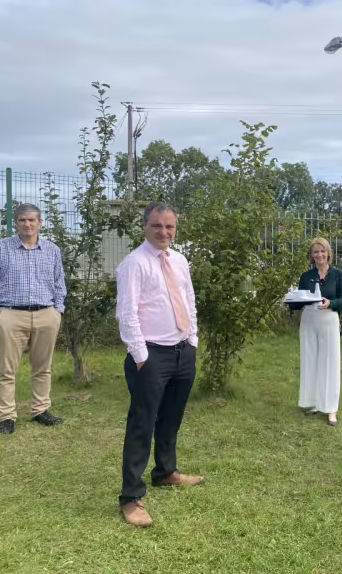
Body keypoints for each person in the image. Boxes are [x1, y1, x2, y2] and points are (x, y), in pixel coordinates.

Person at [115, 202, 203, 527]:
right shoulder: (134, 263)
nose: (164, 232)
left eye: (170, 227)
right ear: (145, 226)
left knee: (170, 419)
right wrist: (141, 357)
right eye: (157, 226)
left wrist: (191, 341)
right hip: (151, 357)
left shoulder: (179, 261)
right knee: (141, 425)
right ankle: (130, 496)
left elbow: (189, 300)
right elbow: (127, 312)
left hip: (182, 353)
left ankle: (165, 472)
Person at [0, 203, 66, 434]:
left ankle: (40, 410)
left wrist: (58, 311)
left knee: (43, 367)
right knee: (6, 369)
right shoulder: (0, 249)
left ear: (40, 222)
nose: (27, 224)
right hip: (10, 315)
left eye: (32, 220)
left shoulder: (52, 250)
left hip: (46, 315)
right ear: (15, 223)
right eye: (22, 220)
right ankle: (6, 416)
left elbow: (59, 283)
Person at [297, 237, 342, 426]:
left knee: (330, 361)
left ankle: (331, 408)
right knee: (311, 359)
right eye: (315, 252)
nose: (319, 255)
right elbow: (300, 298)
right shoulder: (306, 276)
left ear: (328, 253)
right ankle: (314, 402)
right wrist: (292, 301)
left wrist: (331, 303)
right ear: (312, 255)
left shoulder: (338, 275)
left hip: (329, 318)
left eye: (322, 251)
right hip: (309, 319)